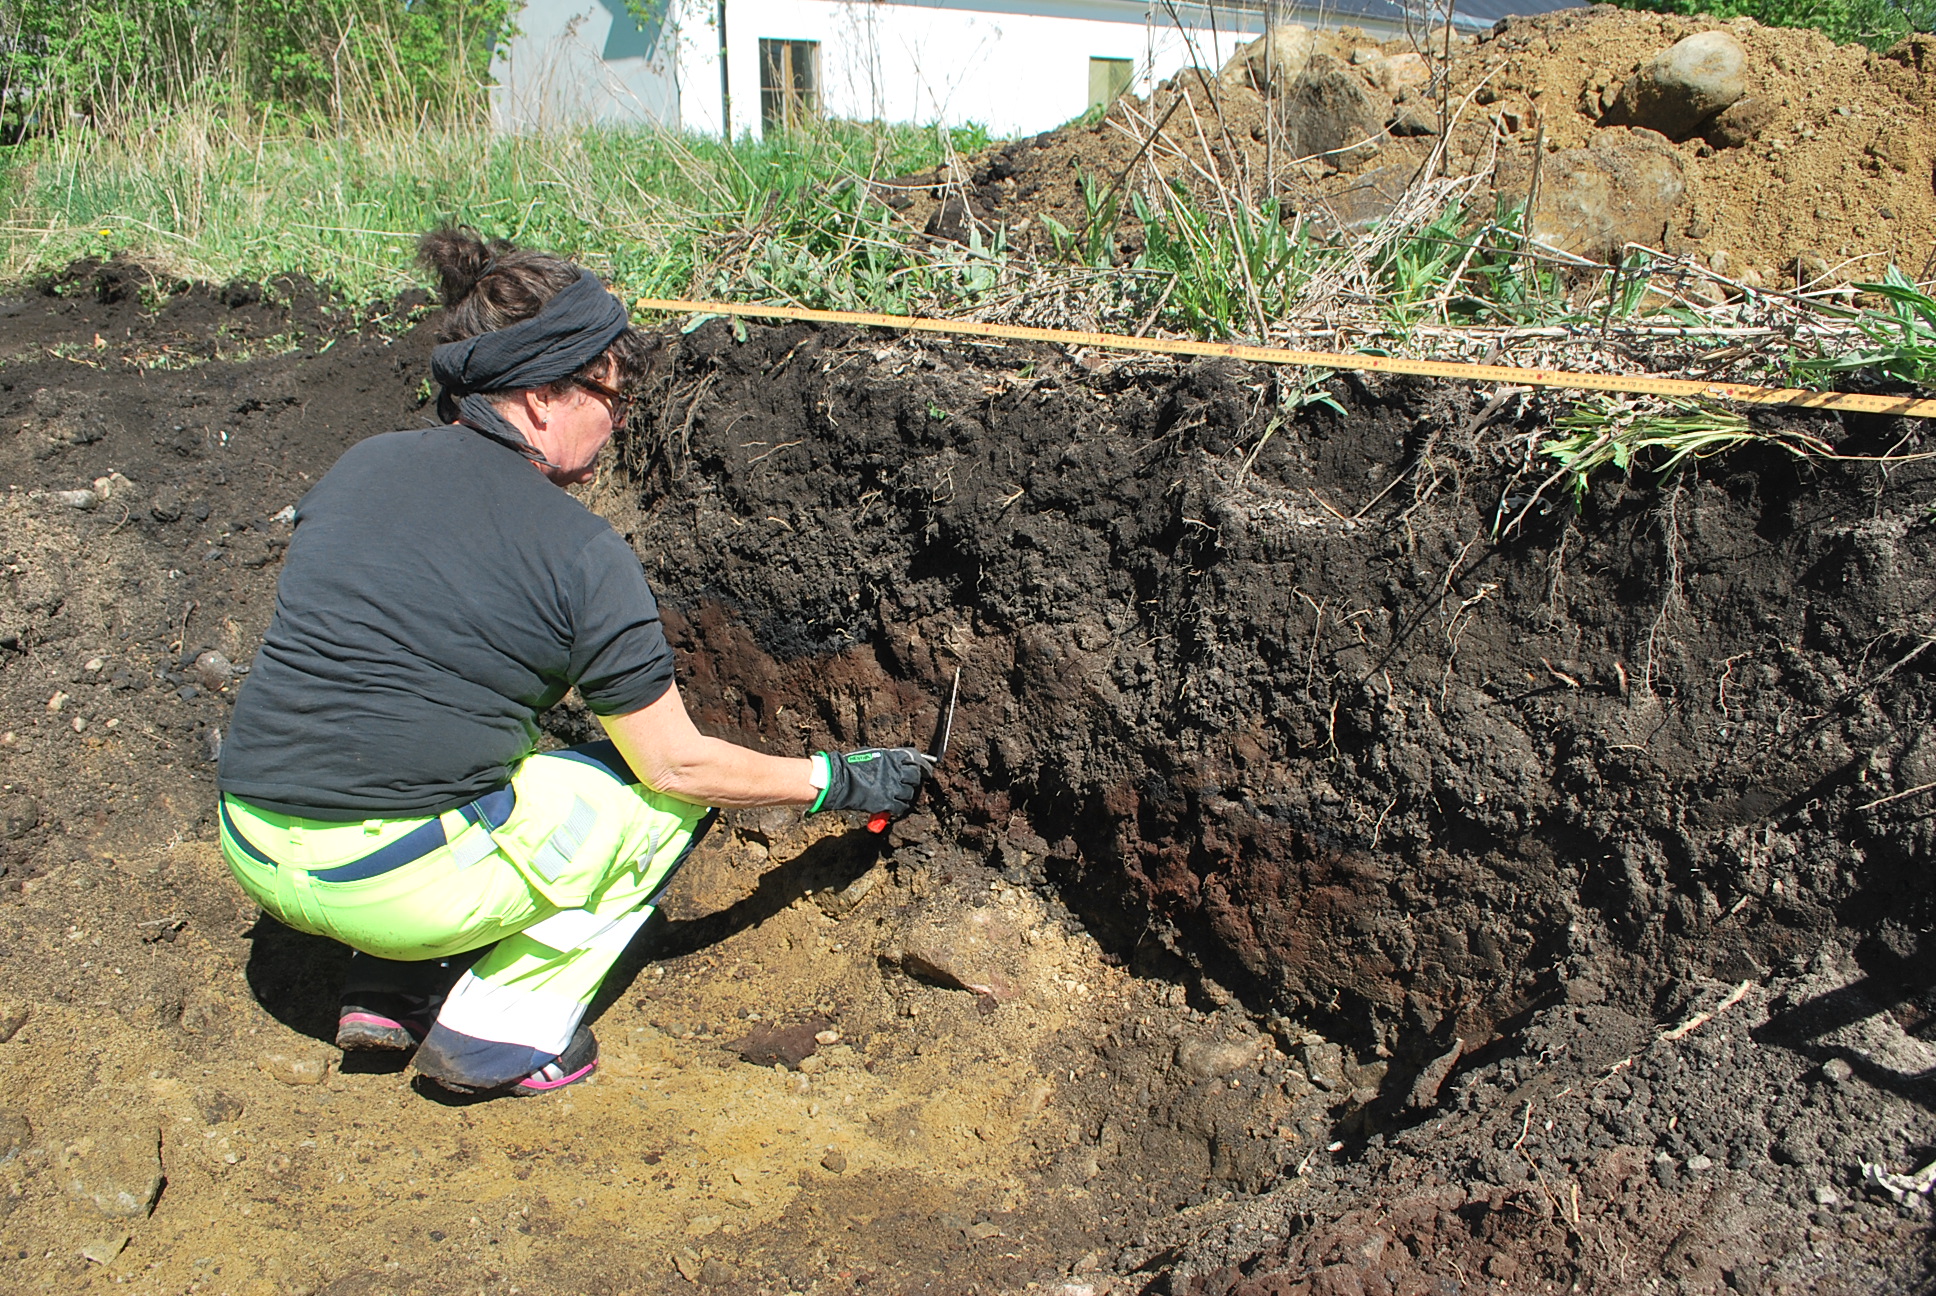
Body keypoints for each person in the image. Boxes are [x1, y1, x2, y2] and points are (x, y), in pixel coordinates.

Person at [215, 229, 931, 1098]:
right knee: (656, 804)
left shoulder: (361, 467)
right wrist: (837, 780)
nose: (619, 425)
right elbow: (677, 762)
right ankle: (494, 1035)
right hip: (389, 882)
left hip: (251, 838)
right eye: (612, 398)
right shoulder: (579, 551)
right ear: (546, 394)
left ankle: (388, 985)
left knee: (505, 764)